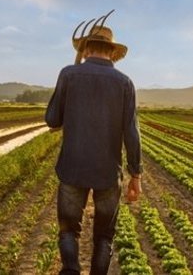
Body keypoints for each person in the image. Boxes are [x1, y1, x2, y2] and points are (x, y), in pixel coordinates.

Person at [45, 23, 142, 275]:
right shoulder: (125, 83)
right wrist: (136, 175)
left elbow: (53, 119)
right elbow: (132, 133)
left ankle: (70, 271)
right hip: (108, 173)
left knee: (68, 231)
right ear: (112, 53)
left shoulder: (68, 74)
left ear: (86, 50)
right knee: (104, 238)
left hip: (72, 168)